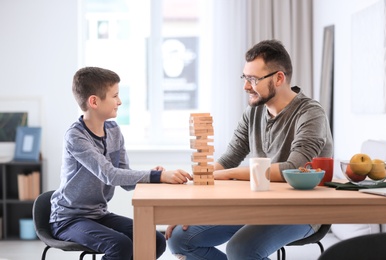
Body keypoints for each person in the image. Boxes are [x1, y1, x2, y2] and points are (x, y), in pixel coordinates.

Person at [165, 39, 333, 260]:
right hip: (259, 204)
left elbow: (294, 169)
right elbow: (228, 159)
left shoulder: (310, 113)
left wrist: (227, 174)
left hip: (301, 210)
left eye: (253, 79)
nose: (246, 86)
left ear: (279, 78)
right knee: (179, 238)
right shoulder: (253, 113)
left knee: (240, 249)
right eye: (245, 78)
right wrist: (192, 203)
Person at [49, 67, 192, 260]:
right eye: (115, 96)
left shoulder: (114, 131)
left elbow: (124, 178)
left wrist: (154, 176)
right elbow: (110, 174)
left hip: (98, 214)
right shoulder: (76, 136)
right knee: (120, 246)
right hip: (69, 219)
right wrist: (157, 176)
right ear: (94, 101)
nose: (120, 101)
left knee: (155, 240)